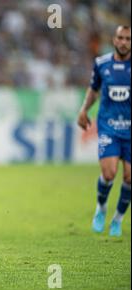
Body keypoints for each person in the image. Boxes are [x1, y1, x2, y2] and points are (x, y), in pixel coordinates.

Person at [77, 25, 131, 237]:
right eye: (121, 38)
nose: (124, 42)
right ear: (114, 40)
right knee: (109, 173)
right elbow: (94, 90)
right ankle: (101, 208)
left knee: (129, 177)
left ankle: (117, 219)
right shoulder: (102, 64)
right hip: (109, 126)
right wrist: (83, 110)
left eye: (128, 38)